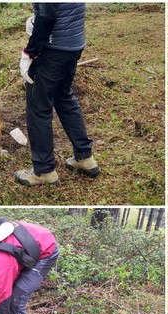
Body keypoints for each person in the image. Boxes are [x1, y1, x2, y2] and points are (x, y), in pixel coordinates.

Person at [16, 3, 99, 186]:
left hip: (53, 50)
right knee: (64, 98)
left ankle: (44, 170)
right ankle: (85, 158)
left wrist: (30, 52)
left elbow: (47, 15)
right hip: (73, 46)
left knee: (38, 107)